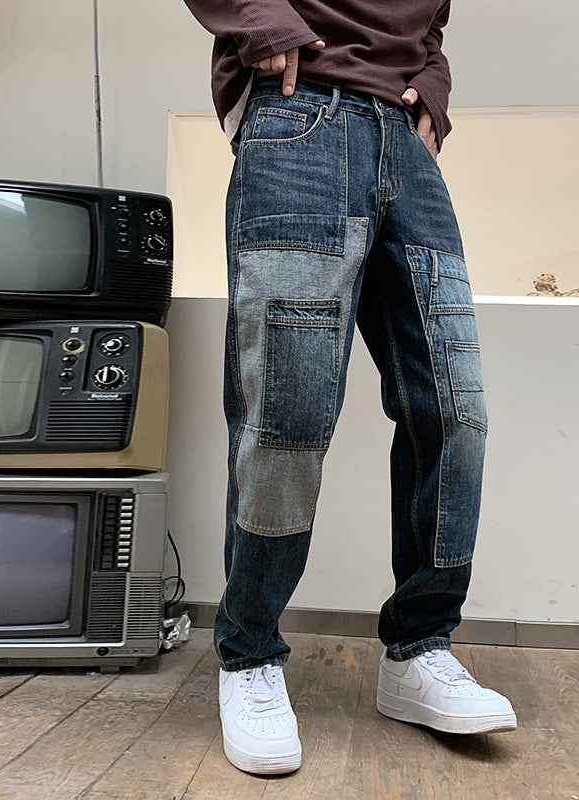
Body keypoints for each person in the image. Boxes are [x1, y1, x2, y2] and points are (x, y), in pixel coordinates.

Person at [182, 0, 517, 775]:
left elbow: (429, 28)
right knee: (287, 412)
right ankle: (250, 653)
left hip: (404, 144)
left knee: (454, 408)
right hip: (299, 120)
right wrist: (262, 21)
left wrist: (433, 84)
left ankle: (417, 650)